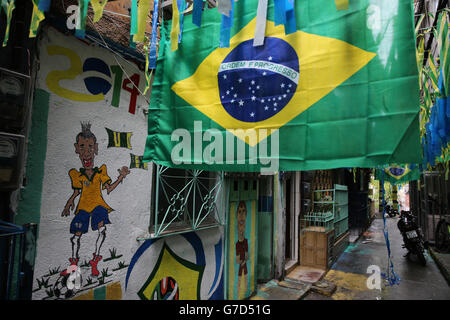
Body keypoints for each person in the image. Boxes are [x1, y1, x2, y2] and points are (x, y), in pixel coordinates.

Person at [60, 122, 130, 277]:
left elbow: (109, 188)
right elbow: (77, 192)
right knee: (76, 236)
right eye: (82, 147)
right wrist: (68, 203)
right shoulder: (76, 174)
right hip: (83, 207)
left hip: (99, 205)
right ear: (77, 148)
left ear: (96, 148)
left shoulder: (100, 172)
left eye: (90, 147)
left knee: (102, 230)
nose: (87, 152)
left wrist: (121, 177)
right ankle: (73, 264)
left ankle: (94, 262)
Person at [235, 201, 249, 299]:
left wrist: (244, 261)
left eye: (243, 211)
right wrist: (242, 261)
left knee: (245, 277)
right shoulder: (237, 244)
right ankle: (239, 293)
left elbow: (247, 256)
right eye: (239, 211)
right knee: (240, 278)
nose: (242, 215)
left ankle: (246, 291)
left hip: (243, 262)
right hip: (241, 263)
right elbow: (237, 260)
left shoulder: (246, 241)